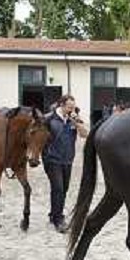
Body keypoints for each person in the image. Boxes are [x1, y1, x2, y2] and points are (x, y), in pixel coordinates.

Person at [42, 95, 88, 233]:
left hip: (68, 159)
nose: (71, 109)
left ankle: (52, 214)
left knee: (63, 189)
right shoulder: (49, 118)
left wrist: (76, 123)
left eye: (73, 107)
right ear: (61, 105)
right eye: (69, 107)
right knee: (58, 188)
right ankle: (58, 219)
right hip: (52, 159)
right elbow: (38, 137)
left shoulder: (73, 119)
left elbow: (85, 134)